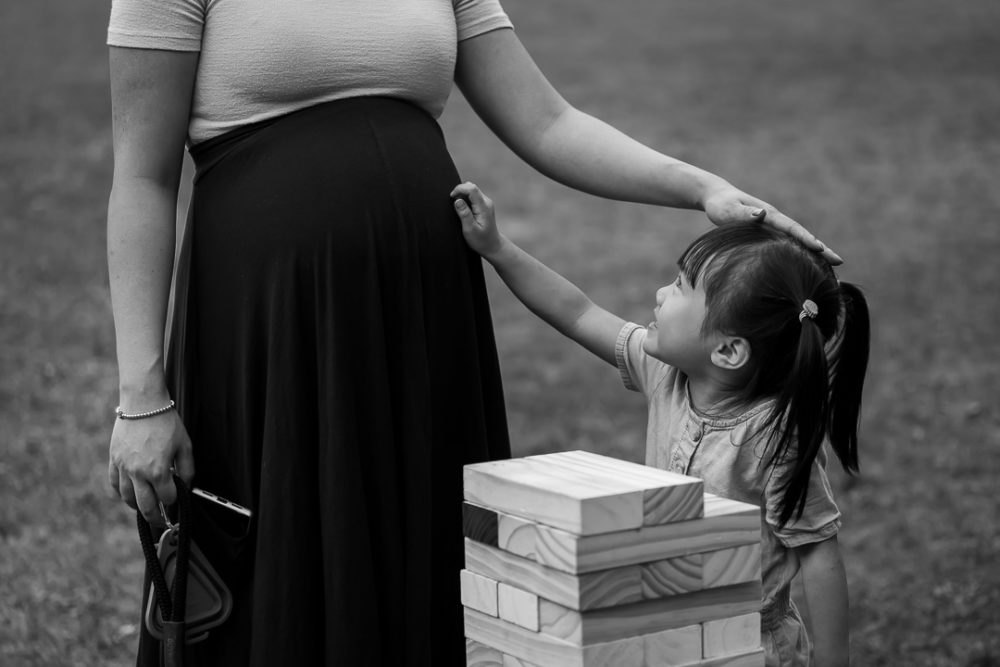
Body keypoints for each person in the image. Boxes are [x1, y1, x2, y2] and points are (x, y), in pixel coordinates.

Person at [104, 0, 839, 664]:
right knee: (286, 557)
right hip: (274, 322)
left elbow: (548, 122)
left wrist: (701, 188)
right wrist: (142, 394)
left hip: (425, 320)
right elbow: (143, 177)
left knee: (429, 564)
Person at [452, 182, 869, 666]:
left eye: (680, 289)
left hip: (747, 642)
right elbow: (578, 312)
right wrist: (497, 249)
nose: (660, 293)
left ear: (728, 350)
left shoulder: (774, 438)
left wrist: (833, 659)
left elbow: (817, 551)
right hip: (661, 624)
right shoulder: (667, 374)